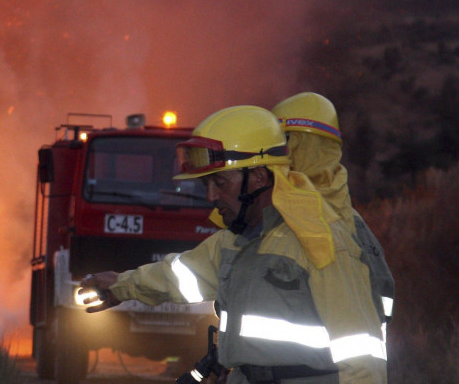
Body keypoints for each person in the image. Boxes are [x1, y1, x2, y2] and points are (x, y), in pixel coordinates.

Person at [82, 105, 386, 383]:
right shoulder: (236, 240)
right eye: (206, 184)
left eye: (220, 182)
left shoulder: (322, 242)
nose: (211, 197)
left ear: (257, 177)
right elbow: (179, 275)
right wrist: (119, 286)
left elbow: (362, 357)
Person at [271, 92, 394, 327]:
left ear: (296, 144)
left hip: (311, 362)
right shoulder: (355, 225)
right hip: (339, 360)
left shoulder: (277, 218)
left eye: (278, 145)